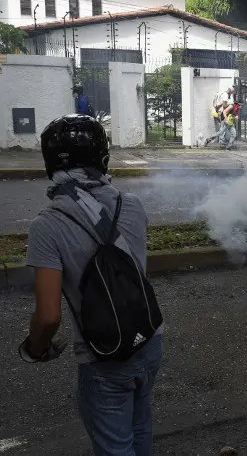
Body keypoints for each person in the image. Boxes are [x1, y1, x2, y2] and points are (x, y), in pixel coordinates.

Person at [22, 115, 163, 454]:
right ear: (103, 157)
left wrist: (34, 349)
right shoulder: (132, 205)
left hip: (105, 356)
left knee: (116, 445)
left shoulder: (48, 225)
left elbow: (47, 317)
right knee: (140, 425)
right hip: (149, 340)